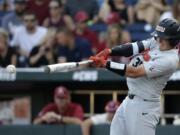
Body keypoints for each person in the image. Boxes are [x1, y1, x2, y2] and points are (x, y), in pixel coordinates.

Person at [89, 18, 180, 135]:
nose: (159, 40)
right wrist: (110, 51)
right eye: (158, 37)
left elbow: (134, 72)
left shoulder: (170, 60)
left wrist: (106, 64)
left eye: (163, 39)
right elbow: (135, 47)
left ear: (173, 41)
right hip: (129, 101)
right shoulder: (158, 42)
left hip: (145, 107)